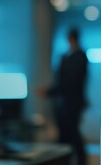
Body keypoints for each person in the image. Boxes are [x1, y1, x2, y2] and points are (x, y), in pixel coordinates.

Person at [38, 28, 88, 165]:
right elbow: (61, 80)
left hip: (73, 102)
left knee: (72, 134)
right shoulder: (66, 57)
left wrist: (49, 92)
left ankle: (80, 162)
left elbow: (70, 82)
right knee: (64, 135)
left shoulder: (80, 57)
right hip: (63, 102)